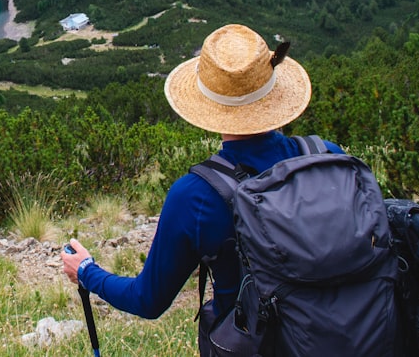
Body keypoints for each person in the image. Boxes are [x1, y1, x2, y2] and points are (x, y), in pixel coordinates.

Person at [60, 23, 342, 321]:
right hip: (356, 334)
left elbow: (147, 300)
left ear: (208, 105)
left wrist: (87, 272)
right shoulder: (328, 155)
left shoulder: (196, 196)